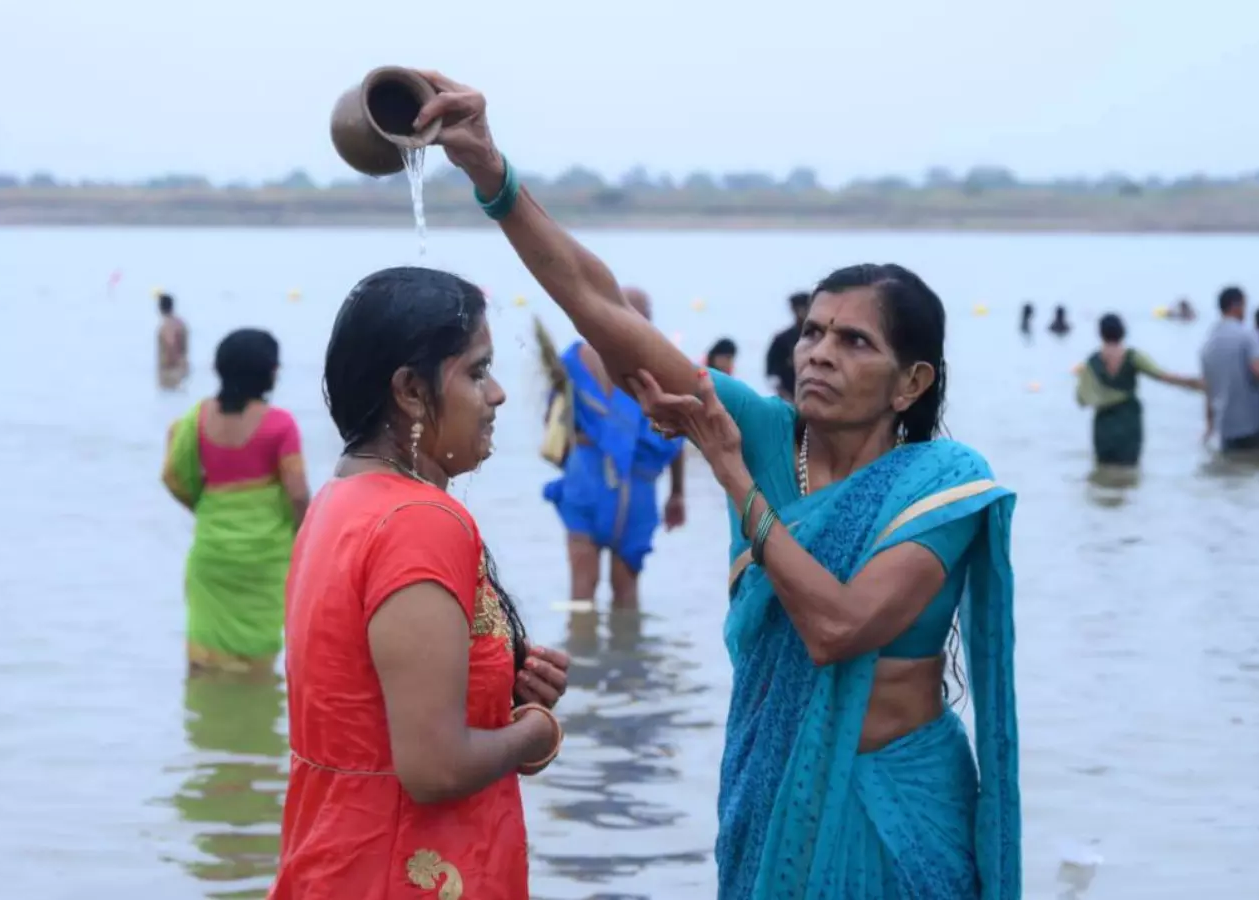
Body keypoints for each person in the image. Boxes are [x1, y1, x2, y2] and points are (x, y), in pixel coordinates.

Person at [413, 71, 1020, 898]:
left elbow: (838, 630)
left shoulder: (942, 482)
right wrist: (493, 176)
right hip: (772, 798)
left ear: (911, 383)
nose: (818, 354)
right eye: (811, 332)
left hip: (897, 808)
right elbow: (599, 305)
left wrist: (731, 474)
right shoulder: (763, 430)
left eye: (853, 342)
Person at [270, 267, 571, 900]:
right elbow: (434, 767)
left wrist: (500, 693)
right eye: (477, 372)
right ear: (410, 389)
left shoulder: (340, 499)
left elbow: (368, 707)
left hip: (335, 856)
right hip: (405, 868)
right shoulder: (421, 521)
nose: (497, 397)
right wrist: (535, 731)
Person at [161, 329, 309, 673]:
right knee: (258, 663)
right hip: (265, 557)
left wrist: (204, 507)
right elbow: (298, 493)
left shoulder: (198, 418)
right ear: (270, 371)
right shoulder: (280, 425)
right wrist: (304, 539)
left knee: (203, 663)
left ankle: (203, 722)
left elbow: (174, 474)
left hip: (212, 553)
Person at [546, 287, 686, 609]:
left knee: (581, 592)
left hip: (585, 480)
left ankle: (582, 658)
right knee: (626, 596)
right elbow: (676, 435)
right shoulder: (659, 369)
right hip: (635, 490)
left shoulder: (571, 362)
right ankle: (625, 658)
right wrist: (677, 493)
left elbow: (552, 427)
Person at [1075, 314, 1201, 466]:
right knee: (1129, 468)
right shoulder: (1133, 357)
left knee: (1104, 468)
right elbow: (1162, 376)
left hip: (1104, 424)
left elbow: (1082, 398)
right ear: (1123, 331)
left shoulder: (1092, 362)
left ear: (1100, 334)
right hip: (1129, 421)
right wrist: (1195, 384)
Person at [1200, 286, 1259, 451]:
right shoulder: (1247, 334)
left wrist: (1209, 425)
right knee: (1256, 472)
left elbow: (1207, 388)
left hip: (1225, 427)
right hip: (1254, 423)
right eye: (1244, 306)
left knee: (1234, 471)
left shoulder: (1208, 343)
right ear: (1236, 306)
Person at [765, 291, 811, 402]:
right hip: (787, 397)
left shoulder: (821, 338)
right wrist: (782, 393)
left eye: (803, 308)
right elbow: (772, 372)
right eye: (797, 309)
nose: (800, 313)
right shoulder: (781, 340)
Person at [157, 292, 190, 390]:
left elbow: (171, 347)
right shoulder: (180, 323)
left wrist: (169, 373)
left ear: (160, 308)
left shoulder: (167, 326)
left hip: (170, 375)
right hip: (182, 371)